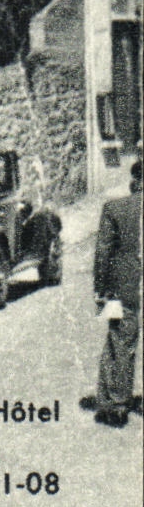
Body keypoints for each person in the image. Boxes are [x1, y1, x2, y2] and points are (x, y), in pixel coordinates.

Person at [87, 160, 141, 428]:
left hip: (126, 288)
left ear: (134, 182)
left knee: (120, 343)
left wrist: (101, 290)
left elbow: (103, 255)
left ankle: (115, 405)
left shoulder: (115, 208)